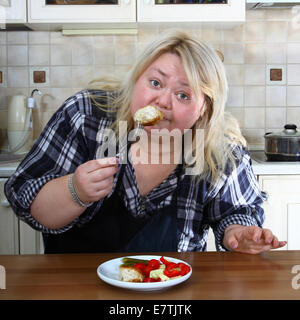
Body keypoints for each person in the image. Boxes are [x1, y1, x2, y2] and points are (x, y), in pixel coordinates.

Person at [5, 30, 286, 254]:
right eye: (155, 83)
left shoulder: (221, 151)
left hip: (172, 292)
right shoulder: (85, 115)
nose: (163, 101)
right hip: (74, 288)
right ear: (137, 78)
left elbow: (237, 213)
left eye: (184, 95)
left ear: (204, 109)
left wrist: (239, 233)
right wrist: (75, 190)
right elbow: (26, 201)